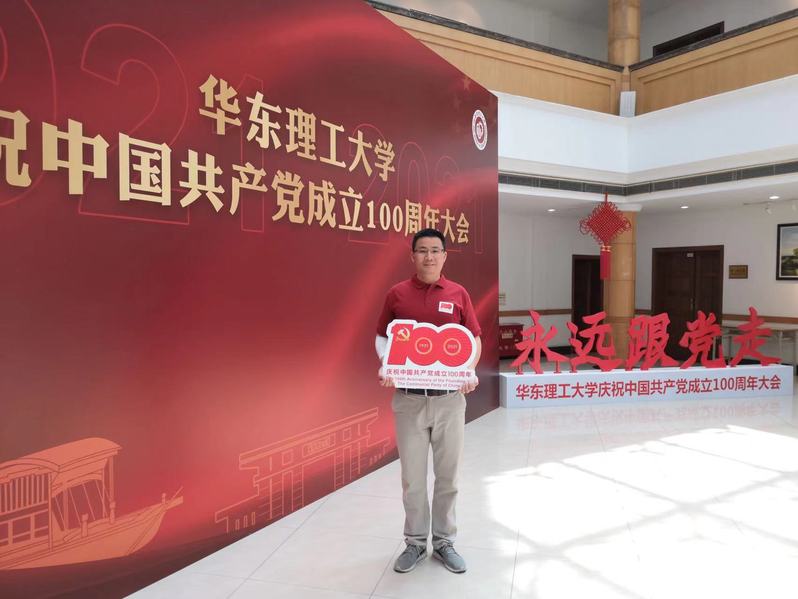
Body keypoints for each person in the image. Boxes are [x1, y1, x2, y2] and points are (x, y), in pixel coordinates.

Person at [375, 228, 482, 574]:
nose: (429, 256)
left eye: (436, 250)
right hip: (409, 400)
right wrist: (387, 365)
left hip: (450, 400)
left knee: (448, 476)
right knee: (413, 479)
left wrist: (468, 370)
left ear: (445, 255)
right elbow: (382, 337)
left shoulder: (458, 293)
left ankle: (445, 542)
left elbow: (474, 339)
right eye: (422, 250)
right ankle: (415, 543)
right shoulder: (397, 294)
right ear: (413, 256)